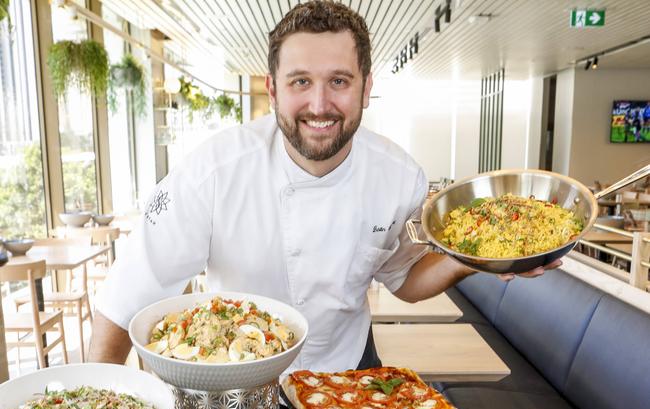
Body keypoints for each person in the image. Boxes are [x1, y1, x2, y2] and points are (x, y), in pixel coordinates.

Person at [89, 1, 559, 371]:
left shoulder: (398, 176)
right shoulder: (212, 172)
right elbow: (127, 298)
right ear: (273, 89)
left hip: (348, 372)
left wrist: (477, 259)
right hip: (239, 380)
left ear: (365, 87)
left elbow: (406, 282)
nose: (319, 104)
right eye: (300, 82)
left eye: (338, 81)